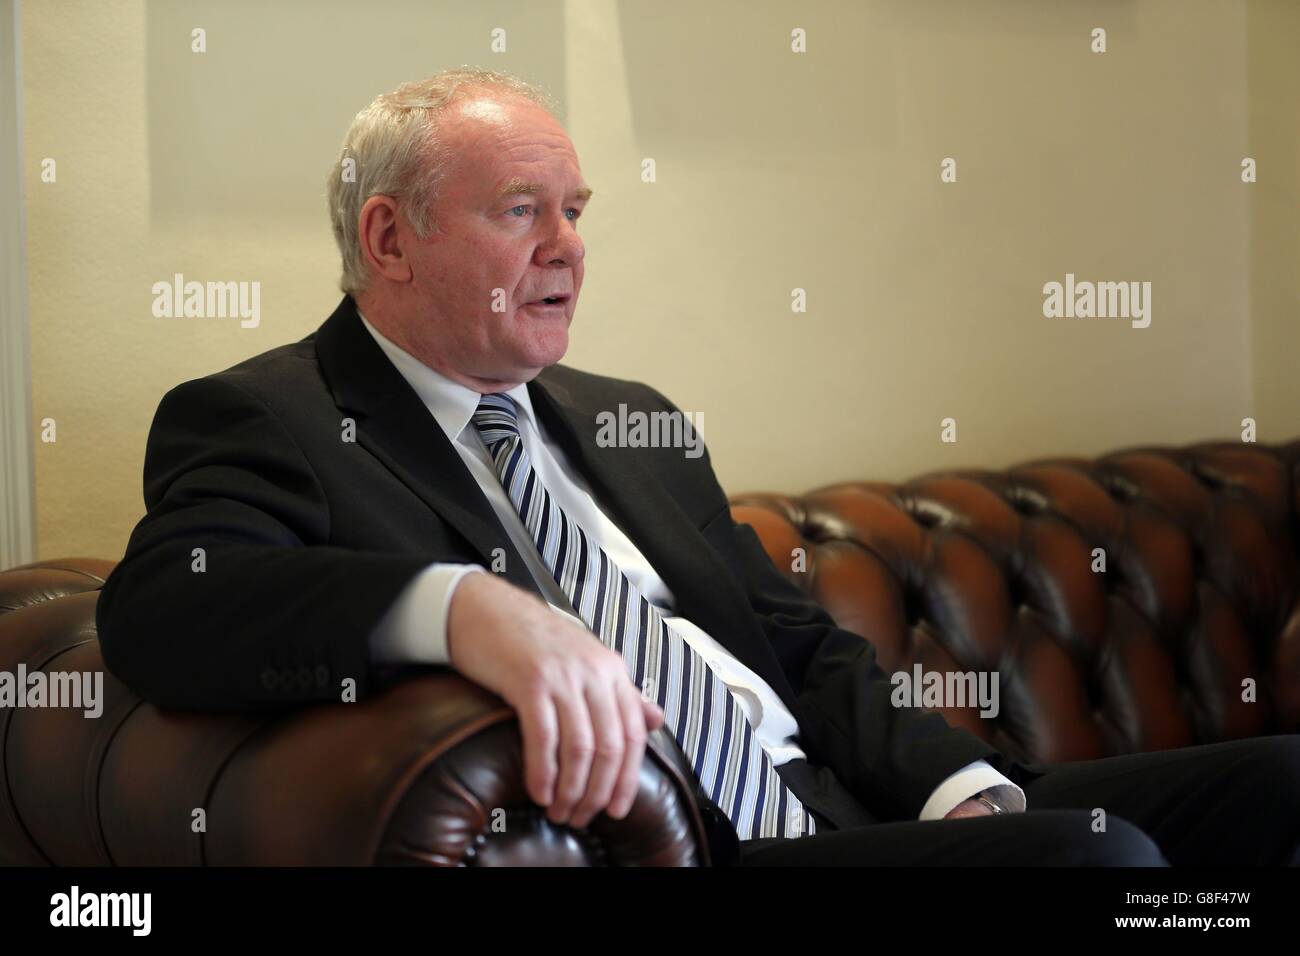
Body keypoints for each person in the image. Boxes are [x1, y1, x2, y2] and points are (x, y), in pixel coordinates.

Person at [96, 68, 1300, 866]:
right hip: (710, 844)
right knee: (1095, 861)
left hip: (854, 809)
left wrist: (960, 791)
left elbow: (803, 648)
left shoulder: (632, 418)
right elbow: (167, 609)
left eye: (575, 208)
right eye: (522, 210)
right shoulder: (271, 417)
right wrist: (464, 608)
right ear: (389, 238)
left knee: (1277, 782)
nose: (570, 246)